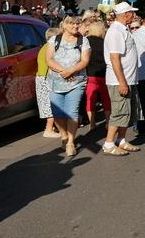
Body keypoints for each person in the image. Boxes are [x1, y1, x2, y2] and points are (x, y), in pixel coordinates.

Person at [45, 16, 91, 157]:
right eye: (72, 24)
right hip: (55, 82)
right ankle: (64, 135)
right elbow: (49, 59)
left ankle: (71, 142)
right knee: (57, 113)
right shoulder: (55, 40)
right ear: (64, 26)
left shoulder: (83, 40)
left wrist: (71, 71)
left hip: (76, 82)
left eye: (77, 24)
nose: (76, 26)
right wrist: (62, 71)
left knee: (72, 112)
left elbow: (85, 61)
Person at [103, 2, 141, 155]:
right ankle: (109, 144)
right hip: (119, 80)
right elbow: (114, 58)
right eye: (132, 12)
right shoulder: (116, 31)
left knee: (128, 112)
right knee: (119, 112)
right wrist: (122, 82)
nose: (134, 15)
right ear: (126, 14)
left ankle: (122, 140)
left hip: (129, 79)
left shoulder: (123, 29)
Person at [36, 27, 61, 138]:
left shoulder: (44, 47)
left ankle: (52, 127)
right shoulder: (50, 48)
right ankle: (48, 129)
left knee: (47, 103)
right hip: (45, 78)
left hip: (42, 77)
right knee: (50, 104)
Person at [85, 20, 110, 131]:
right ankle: (108, 122)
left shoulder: (85, 42)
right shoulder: (105, 43)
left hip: (89, 74)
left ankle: (92, 123)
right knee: (106, 99)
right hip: (104, 74)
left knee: (90, 99)